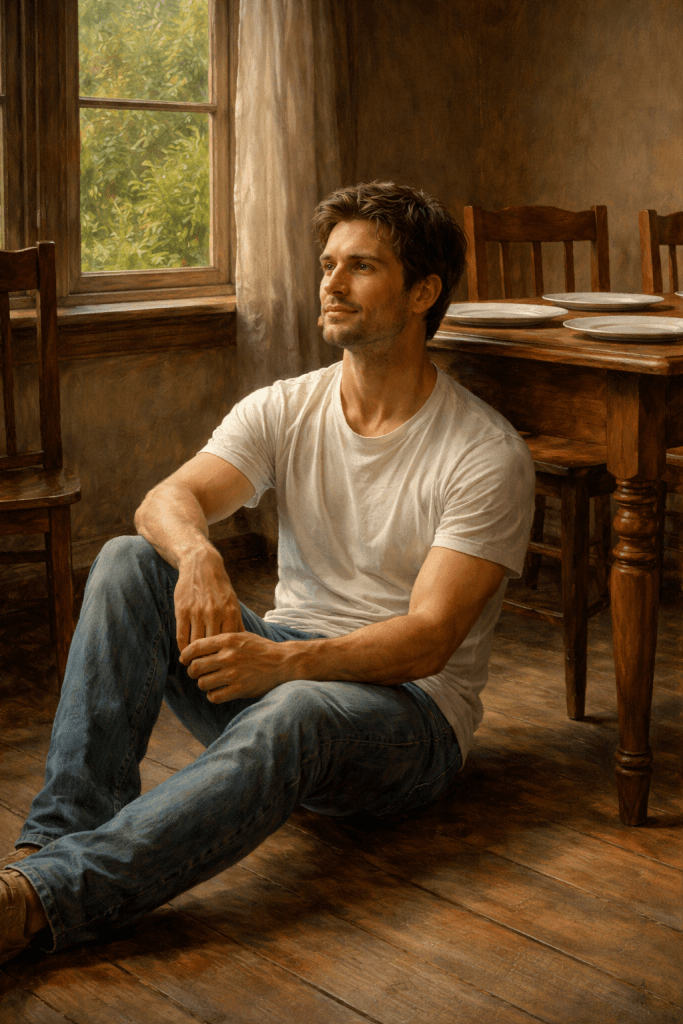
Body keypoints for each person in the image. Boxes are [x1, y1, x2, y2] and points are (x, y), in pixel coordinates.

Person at [0, 182, 535, 964]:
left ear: (423, 292)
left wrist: (282, 665)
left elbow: (428, 640)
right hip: (283, 665)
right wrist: (200, 556)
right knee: (126, 560)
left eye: (361, 266)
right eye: (326, 264)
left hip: (409, 724)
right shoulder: (286, 405)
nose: (330, 282)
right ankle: (45, 853)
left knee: (299, 710)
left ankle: (45, 900)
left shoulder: (483, 453)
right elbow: (167, 499)